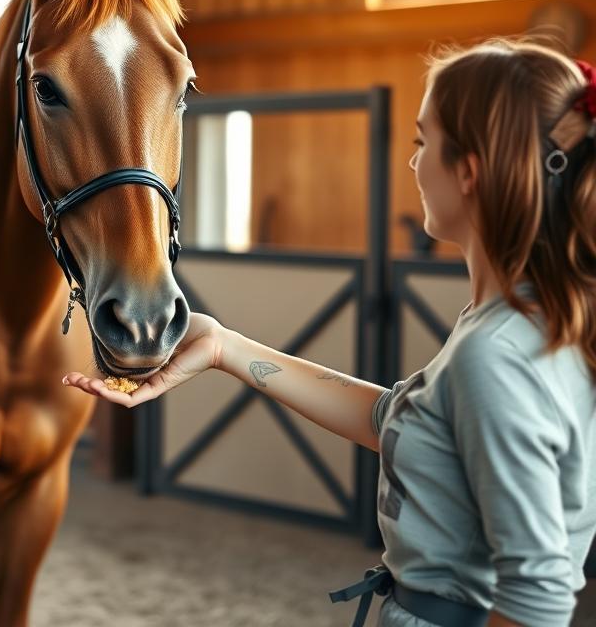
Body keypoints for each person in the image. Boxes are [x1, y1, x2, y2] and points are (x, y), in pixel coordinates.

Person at [63, 39, 596, 627]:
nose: (414, 162)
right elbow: (400, 422)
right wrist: (223, 347)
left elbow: (536, 599)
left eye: (423, 143)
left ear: (467, 172)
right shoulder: (513, 322)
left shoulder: (496, 356)